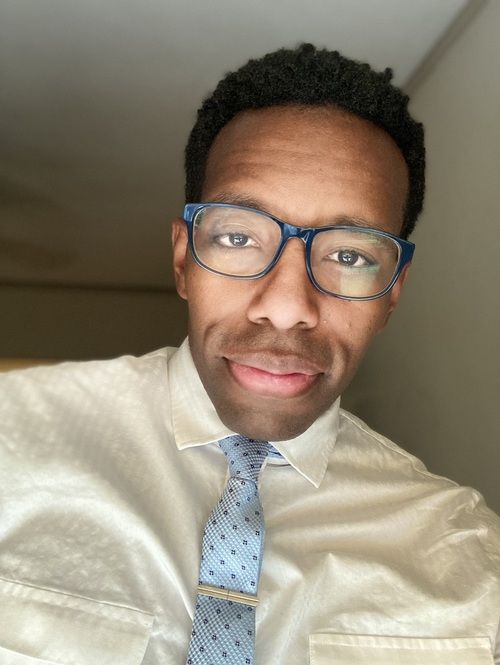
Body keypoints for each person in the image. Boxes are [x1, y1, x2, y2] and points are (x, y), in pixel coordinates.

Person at [0, 44, 499, 665]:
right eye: (238, 237)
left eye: (349, 256)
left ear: (391, 292)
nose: (287, 307)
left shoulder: (468, 555)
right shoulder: (11, 437)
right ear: (183, 260)